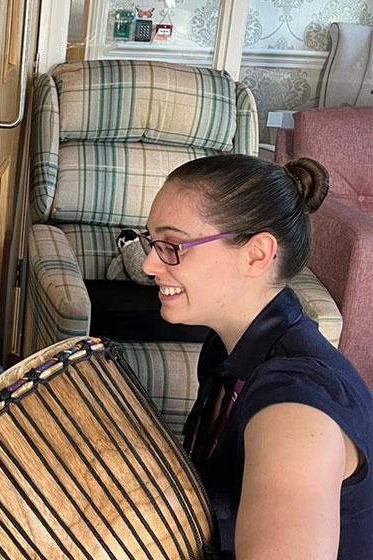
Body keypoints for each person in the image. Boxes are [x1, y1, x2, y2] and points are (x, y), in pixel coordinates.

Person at [140, 154, 372, 559]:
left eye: (172, 246)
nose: (148, 264)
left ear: (257, 255)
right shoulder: (229, 351)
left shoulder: (294, 408)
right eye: (151, 243)